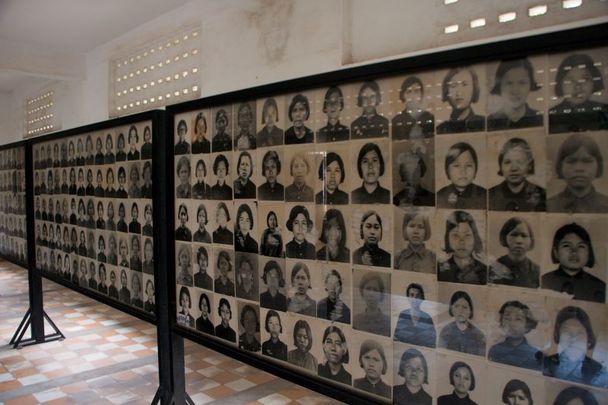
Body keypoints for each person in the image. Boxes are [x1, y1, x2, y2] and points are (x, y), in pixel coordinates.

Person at [543, 306, 607, 387]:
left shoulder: (598, 370)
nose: (573, 337)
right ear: (558, 335)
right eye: (566, 331)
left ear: (589, 338)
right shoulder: (545, 363)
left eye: (580, 332)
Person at [541, 223, 605, 303]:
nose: (574, 252)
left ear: (588, 253)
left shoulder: (600, 286)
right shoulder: (543, 281)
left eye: (581, 246)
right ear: (556, 252)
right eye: (566, 246)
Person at [547, 134, 608, 213]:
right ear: (560, 166)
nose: (579, 168)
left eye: (587, 161)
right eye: (571, 161)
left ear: (598, 165)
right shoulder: (549, 206)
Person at [549, 53, 608, 133]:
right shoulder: (550, 116)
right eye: (570, 80)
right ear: (560, 84)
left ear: (594, 82)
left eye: (585, 79)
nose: (578, 86)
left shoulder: (604, 111)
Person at [489, 138, 546, 211]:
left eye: (520, 162)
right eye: (507, 162)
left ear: (529, 165)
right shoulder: (490, 195)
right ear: (501, 166)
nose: (514, 168)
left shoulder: (541, 194)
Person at [487, 58, 544, 130]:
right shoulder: (490, 122)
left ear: (530, 85)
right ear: (500, 86)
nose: (515, 91)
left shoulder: (539, 119)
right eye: (509, 83)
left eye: (522, 83)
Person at [489, 300, 542, 370]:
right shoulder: (494, 350)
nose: (512, 323)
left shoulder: (534, 354)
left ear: (527, 325)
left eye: (518, 319)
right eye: (507, 318)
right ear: (501, 323)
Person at [438, 210, 487, 285]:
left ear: (475, 238)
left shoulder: (485, 271)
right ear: (447, 238)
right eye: (455, 235)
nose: (462, 242)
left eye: (467, 235)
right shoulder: (439, 270)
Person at [489, 217, 540, 288]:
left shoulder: (537, 271)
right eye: (514, 235)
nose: (519, 241)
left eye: (524, 236)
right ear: (504, 237)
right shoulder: (494, 268)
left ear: (531, 240)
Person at [437, 142, 486, 209]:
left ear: (476, 168)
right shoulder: (439, 196)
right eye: (456, 165)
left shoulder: (485, 195)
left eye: (468, 165)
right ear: (447, 170)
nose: (463, 172)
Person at [436, 67, 485, 134]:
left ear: (474, 89)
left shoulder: (484, 123)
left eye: (465, 84)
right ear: (446, 91)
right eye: (453, 85)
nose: (459, 92)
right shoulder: (440, 130)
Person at [438, 291, 486, 356]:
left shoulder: (478, 335)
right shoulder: (445, 331)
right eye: (457, 306)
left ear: (470, 311)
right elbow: (441, 356)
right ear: (451, 309)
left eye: (465, 307)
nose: (460, 311)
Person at [394, 283, 436, 348]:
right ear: (408, 297)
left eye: (417, 295)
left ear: (422, 298)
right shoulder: (403, 315)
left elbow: (432, 342)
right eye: (412, 295)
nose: (415, 298)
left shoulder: (427, 317)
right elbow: (396, 338)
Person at [353, 271, 390, 336]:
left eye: (375, 290)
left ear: (381, 294)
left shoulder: (388, 322)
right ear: (362, 292)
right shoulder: (356, 321)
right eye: (368, 289)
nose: (371, 293)